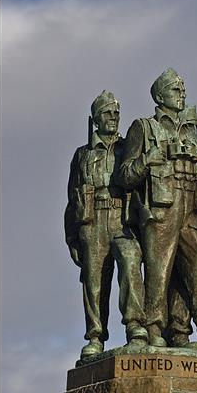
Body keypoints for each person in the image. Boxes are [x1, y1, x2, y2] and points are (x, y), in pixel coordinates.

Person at [117, 69, 197, 357]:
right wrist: (148, 160)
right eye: (175, 89)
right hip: (162, 205)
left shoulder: (190, 129)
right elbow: (124, 176)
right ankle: (154, 329)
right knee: (160, 269)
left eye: (182, 89)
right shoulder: (144, 127)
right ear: (160, 96)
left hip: (191, 206)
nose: (181, 93)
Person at [65, 90, 148, 359]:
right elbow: (71, 198)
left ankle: (136, 327)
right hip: (92, 222)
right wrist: (71, 238)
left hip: (122, 220)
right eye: (107, 113)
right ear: (95, 119)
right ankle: (95, 336)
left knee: (130, 260)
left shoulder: (128, 148)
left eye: (116, 113)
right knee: (94, 281)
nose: (113, 118)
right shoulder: (82, 155)